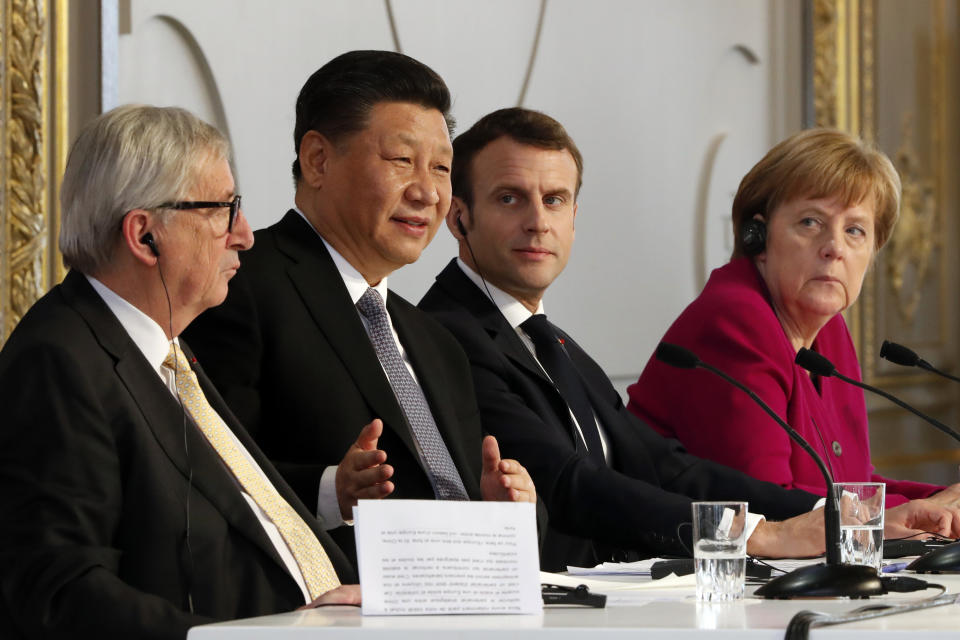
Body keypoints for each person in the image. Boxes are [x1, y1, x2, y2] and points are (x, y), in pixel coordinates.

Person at [417, 107, 960, 572]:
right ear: (458, 216)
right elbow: (570, 485)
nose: (538, 222)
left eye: (555, 200)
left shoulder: (552, 342)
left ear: (575, 218)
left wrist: (862, 516)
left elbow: (670, 466)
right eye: (510, 199)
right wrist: (757, 534)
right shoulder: (447, 337)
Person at [0, 105, 358, 640]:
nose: (244, 234)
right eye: (223, 209)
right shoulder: (57, 361)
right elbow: (59, 589)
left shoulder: (168, 350)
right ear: (145, 236)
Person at [183, 50, 535, 561]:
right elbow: (200, 474)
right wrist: (332, 491)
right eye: (401, 160)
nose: (427, 192)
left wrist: (506, 506)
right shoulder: (237, 287)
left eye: (440, 167)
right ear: (318, 160)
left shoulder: (435, 340)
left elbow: (462, 485)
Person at [627, 128, 960, 509]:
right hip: (664, 562)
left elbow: (855, 484)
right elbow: (771, 507)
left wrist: (941, 500)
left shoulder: (828, 330)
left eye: (854, 230)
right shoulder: (736, 319)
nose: (834, 248)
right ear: (757, 237)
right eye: (810, 222)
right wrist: (915, 514)